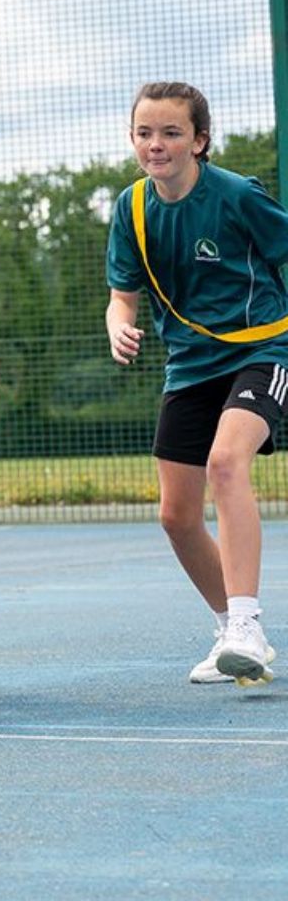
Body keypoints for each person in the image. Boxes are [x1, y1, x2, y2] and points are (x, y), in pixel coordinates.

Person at [105, 82, 288, 686]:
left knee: (226, 464)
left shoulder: (237, 195)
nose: (156, 144)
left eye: (171, 132)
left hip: (263, 349)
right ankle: (232, 632)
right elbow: (122, 296)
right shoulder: (132, 209)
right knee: (177, 516)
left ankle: (247, 622)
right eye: (145, 133)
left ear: (200, 141)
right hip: (189, 364)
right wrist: (119, 325)